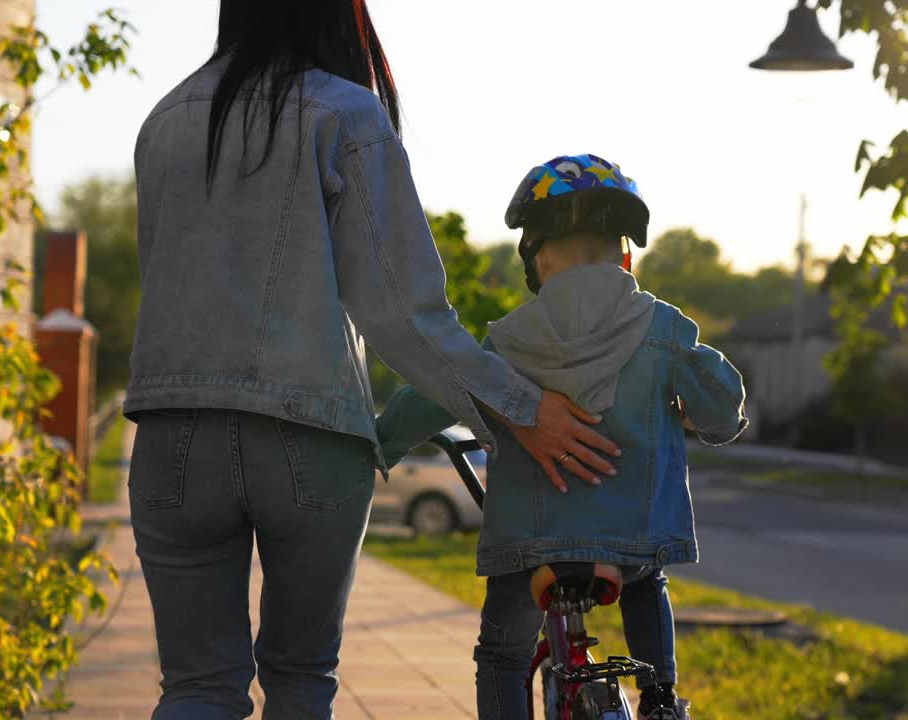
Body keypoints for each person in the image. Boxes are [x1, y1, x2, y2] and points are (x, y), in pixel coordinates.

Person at [122, 4, 622, 718]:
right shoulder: (345, 114)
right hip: (309, 435)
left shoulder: (166, 118)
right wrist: (520, 409)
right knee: (299, 680)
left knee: (197, 688)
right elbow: (405, 316)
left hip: (171, 438)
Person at [375, 154, 749, 720]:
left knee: (502, 654)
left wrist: (379, 444)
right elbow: (720, 407)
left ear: (538, 262)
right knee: (647, 578)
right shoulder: (664, 330)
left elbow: (431, 394)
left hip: (531, 547)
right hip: (632, 539)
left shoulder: (504, 344)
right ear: (626, 255)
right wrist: (707, 415)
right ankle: (661, 698)